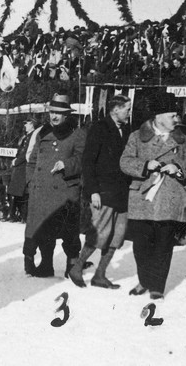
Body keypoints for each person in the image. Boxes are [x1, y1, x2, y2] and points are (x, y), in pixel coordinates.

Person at [120, 91, 186, 299]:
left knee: (163, 244)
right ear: (158, 117)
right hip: (143, 198)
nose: (177, 119)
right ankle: (144, 280)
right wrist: (145, 166)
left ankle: (157, 285)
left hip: (169, 198)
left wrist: (178, 167)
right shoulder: (136, 137)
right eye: (172, 115)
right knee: (140, 246)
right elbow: (125, 161)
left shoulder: (182, 140)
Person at [69, 95, 132, 289]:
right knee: (99, 235)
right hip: (103, 192)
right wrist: (93, 191)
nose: (129, 113)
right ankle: (76, 268)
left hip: (122, 193)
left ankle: (100, 275)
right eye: (126, 109)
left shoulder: (126, 130)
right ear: (115, 110)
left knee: (117, 236)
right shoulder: (99, 128)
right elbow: (88, 161)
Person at [23, 93, 86, 278]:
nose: (54, 116)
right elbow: (32, 160)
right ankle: (46, 265)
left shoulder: (78, 133)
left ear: (67, 114)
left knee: (69, 233)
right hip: (41, 190)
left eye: (59, 113)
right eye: (52, 112)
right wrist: (31, 181)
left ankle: (72, 265)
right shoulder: (43, 132)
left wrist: (66, 165)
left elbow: (83, 159)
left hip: (65, 191)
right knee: (43, 230)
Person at [5, 117, 38, 222]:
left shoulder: (32, 136)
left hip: (23, 166)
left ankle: (16, 215)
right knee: (16, 191)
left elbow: (26, 152)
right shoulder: (27, 136)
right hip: (20, 165)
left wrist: (16, 161)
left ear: (32, 124)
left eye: (27, 123)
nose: (25, 125)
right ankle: (16, 214)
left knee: (18, 191)